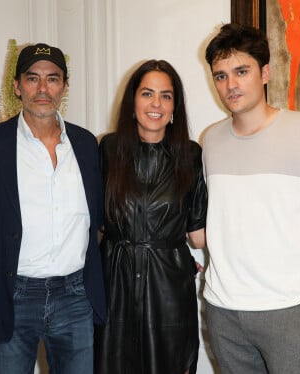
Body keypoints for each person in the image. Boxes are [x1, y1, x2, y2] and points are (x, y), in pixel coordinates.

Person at [201, 23, 300, 373]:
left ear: (265, 72)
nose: (230, 85)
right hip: (223, 312)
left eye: (241, 71)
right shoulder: (211, 141)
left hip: (289, 312)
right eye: (220, 76)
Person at [0, 43, 106, 374]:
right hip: (12, 297)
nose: (42, 89)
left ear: (64, 86)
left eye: (52, 79)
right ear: (17, 86)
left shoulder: (86, 145)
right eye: (32, 78)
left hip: (75, 296)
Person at [95, 59, 207, 374]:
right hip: (115, 283)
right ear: (133, 102)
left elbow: (197, 233)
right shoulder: (108, 149)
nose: (156, 103)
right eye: (147, 93)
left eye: (166, 96)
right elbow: (93, 219)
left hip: (168, 286)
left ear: (175, 108)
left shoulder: (191, 155)